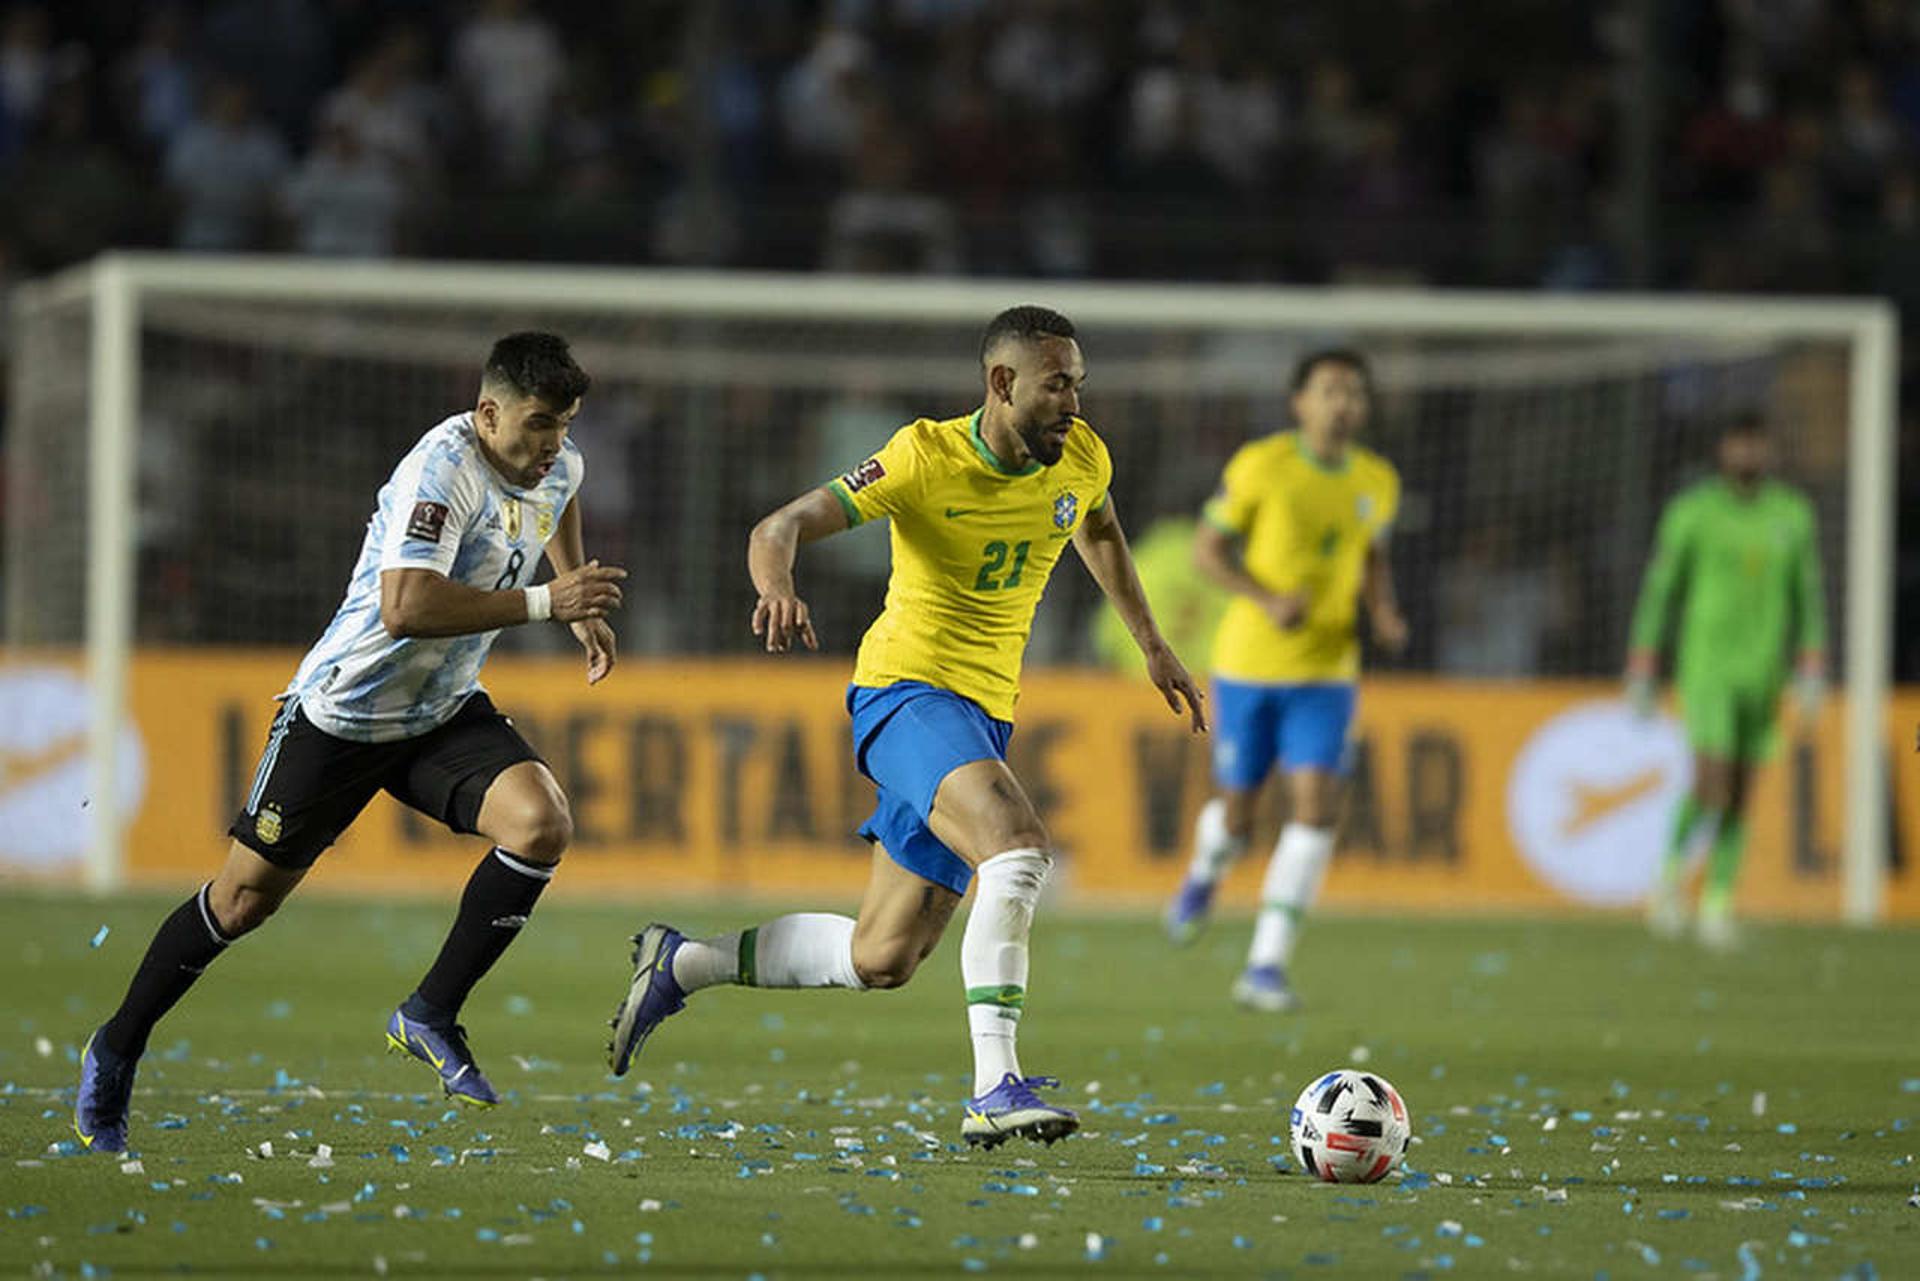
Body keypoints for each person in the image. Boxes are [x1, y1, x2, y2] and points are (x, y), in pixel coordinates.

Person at [605, 305, 1207, 1149]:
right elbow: (777, 525)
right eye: (1056, 384)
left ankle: (682, 963)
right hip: (907, 693)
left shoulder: (1082, 456)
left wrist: (1152, 642)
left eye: (1078, 383)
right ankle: (995, 1084)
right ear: (1001, 383)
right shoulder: (924, 455)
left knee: (880, 956)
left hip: (983, 715)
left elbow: (1097, 523)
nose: (1073, 402)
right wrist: (776, 582)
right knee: (1018, 846)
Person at [74, 333, 627, 1154]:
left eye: (565, 424)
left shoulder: (558, 463)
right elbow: (405, 608)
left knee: (542, 823)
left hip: (438, 708)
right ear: (487, 413)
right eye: (539, 424)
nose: (554, 444)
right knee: (240, 902)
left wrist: (577, 598)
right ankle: (115, 1046)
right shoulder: (438, 474)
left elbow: (560, 501)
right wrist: (550, 602)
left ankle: (429, 1012)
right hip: (343, 714)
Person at [1163, 349, 1406, 1012]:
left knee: (1317, 808)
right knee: (1239, 812)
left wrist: (1382, 610)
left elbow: (1374, 555)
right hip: (1249, 665)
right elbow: (1205, 553)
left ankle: (1265, 963)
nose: (1343, 403)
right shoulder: (1261, 466)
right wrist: (1267, 599)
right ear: (1299, 402)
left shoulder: (1378, 480)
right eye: (1329, 390)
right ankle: (1205, 873)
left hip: (1328, 671)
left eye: (1353, 392)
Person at [1628, 413, 1827, 949]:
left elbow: (1807, 596)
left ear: (1768, 449)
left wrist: (1811, 664)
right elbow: (1660, 591)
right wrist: (1644, 661)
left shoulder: (1793, 514)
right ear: (1722, 449)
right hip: (1708, 667)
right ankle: (1669, 879)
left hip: (1763, 672)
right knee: (1711, 780)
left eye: (1755, 443)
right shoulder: (1692, 513)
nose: (1746, 453)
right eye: (1738, 443)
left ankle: (1717, 902)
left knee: (1742, 790)